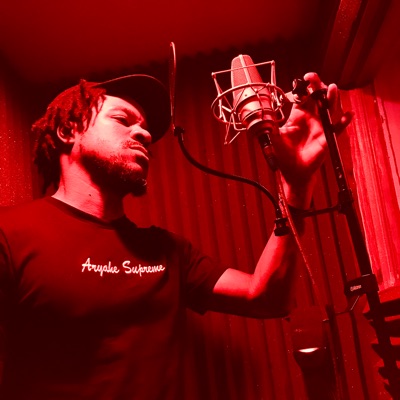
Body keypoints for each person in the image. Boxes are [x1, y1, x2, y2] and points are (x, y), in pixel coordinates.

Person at [0, 71, 352, 400]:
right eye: (122, 120)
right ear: (68, 132)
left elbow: (267, 298)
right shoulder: (9, 233)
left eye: (145, 128)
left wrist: (297, 186)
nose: (144, 134)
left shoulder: (165, 249)